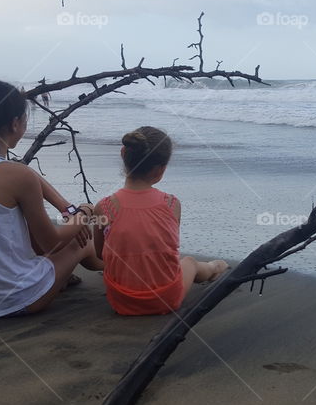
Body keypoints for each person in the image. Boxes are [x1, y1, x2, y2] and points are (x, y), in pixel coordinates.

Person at [0, 78, 104, 320]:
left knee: (36, 233)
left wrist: (65, 207)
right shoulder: (15, 175)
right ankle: (118, 269)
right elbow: (52, 244)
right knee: (81, 242)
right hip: (13, 300)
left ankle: (71, 274)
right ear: (15, 123)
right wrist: (84, 212)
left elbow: (25, 174)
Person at [94, 126, 228, 316]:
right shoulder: (171, 204)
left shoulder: (104, 207)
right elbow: (168, 250)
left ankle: (213, 268)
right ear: (161, 170)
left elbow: (100, 254)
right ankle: (215, 268)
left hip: (121, 300)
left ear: (123, 153)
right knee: (188, 262)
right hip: (166, 299)